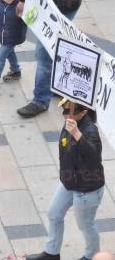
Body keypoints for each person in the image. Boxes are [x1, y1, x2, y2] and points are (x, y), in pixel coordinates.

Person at [26, 98, 104, 260]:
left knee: (85, 225)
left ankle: (93, 255)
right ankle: (51, 253)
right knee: (54, 213)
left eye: (69, 112)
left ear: (83, 113)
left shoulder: (90, 130)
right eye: (64, 111)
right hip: (69, 182)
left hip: (87, 188)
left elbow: (93, 157)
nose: (65, 115)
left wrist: (77, 134)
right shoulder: (70, 122)